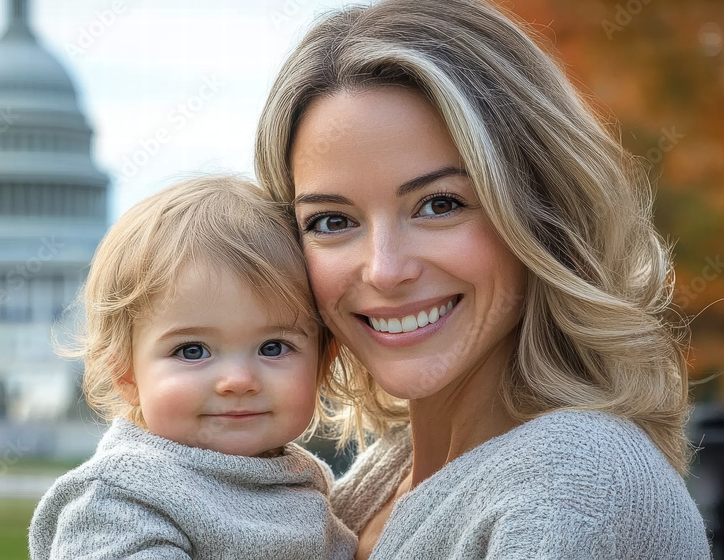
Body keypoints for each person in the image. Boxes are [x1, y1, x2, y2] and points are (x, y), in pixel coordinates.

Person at [254, 0, 712, 558]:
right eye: (332, 221)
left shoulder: (571, 482)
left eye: (440, 204)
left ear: (542, 212)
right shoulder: (374, 486)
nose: (385, 269)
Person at [28, 176, 357, 560]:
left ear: (323, 364)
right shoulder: (122, 498)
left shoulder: (302, 481)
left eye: (273, 347)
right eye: (192, 351)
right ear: (126, 375)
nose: (238, 381)